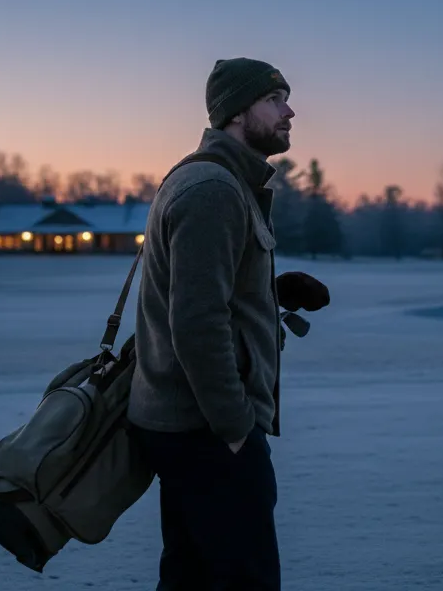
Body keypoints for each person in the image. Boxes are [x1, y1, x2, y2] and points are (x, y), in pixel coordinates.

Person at [128, 57, 331, 589]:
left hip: (193, 428)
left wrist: (268, 292)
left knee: (192, 579)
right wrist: (234, 426)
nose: (290, 111)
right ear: (238, 112)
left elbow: (204, 289)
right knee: (245, 581)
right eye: (274, 99)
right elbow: (196, 321)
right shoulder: (214, 190)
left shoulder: (213, 181)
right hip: (208, 432)